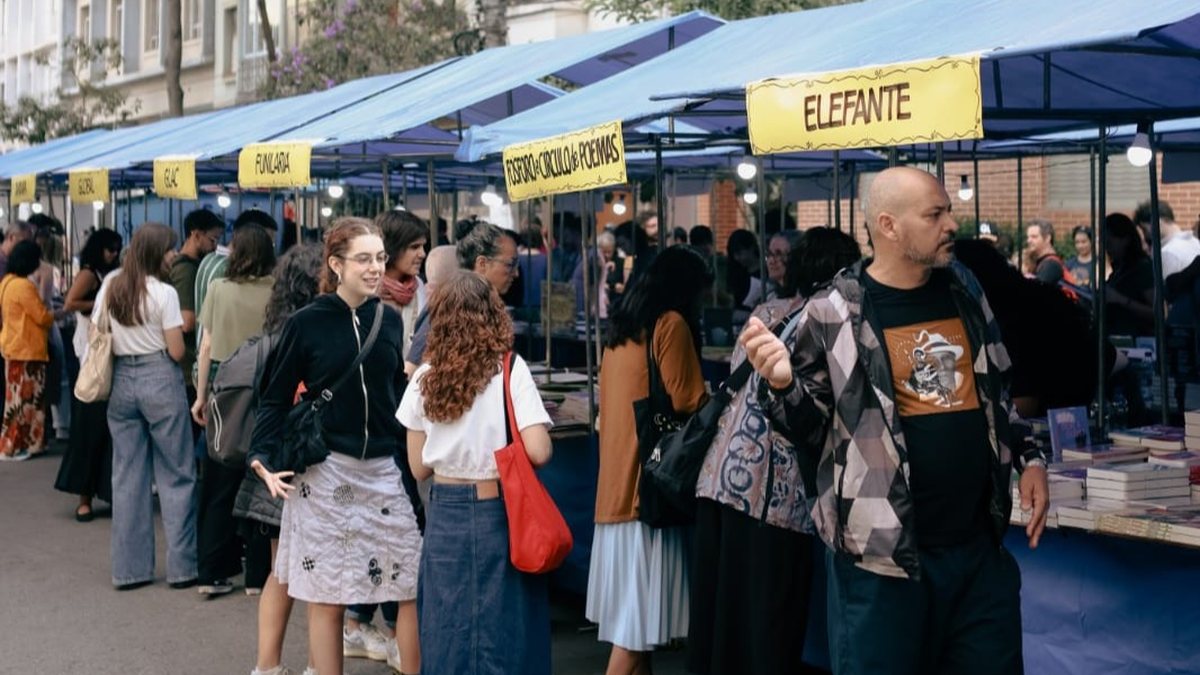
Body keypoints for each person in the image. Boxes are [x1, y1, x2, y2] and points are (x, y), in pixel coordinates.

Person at [740, 167, 1049, 675]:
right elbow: (806, 429)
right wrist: (781, 384)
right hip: (881, 564)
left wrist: (1031, 460)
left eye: (948, 210)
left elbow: (1000, 392)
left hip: (976, 554)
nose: (952, 224)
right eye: (935, 214)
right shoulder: (833, 311)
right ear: (889, 225)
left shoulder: (964, 290)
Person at [248, 218, 423, 675]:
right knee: (328, 594)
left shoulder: (389, 320)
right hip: (326, 472)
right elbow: (273, 395)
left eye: (380, 258)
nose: (374, 268)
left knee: (406, 582)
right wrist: (261, 459)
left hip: (384, 468)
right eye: (364, 259)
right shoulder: (306, 324)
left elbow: (395, 398)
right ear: (336, 264)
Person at [690, 227, 861, 675]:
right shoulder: (832, 322)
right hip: (776, 491)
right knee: (769, 621)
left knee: (723, 612)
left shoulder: (767, 311)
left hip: (721, 473)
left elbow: (736, 374)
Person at [398, 271, 554, 675]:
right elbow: (539, 450)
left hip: (445, 511)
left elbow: (418, 467)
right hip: (498, 509)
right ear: (493, 314)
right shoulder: (510, 369)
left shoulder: (423, 379)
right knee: (507, 626)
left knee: (447, 625)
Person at [590, 246, 712, 675]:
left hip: (617, 493)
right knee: (633, 636)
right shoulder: (671, 324)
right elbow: (689, 398)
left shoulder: (622, 331)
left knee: (637, 634)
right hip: (648, 493)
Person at [231, 244, 324, 675]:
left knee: (281, 570)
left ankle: (266, 667)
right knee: (319, 578)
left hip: (276, 466)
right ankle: (314, 666)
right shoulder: (317, 335)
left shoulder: (275, 334)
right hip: (311, 465)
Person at [341, 210, 429, 662]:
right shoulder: (366, 301)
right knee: (395, 526)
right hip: (375, 428)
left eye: (423, 246)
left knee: (393, 526)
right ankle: (374, 627)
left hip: (405, 420)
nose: (421, 255)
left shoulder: (421, 296)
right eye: (414, 247)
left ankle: (376, 627)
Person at [98, 223, 197, 591]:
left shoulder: (111, 284)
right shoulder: (165, 293)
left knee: (127, 477)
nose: (173, 255)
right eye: (169, 249)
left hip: (122, 379)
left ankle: (129, 570)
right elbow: (174, 350)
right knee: (177, 474)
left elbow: (98, 331)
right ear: (157, 253)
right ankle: (183, 567)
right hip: (160, 377)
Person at [189, 224, 277, 597]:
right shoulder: (276, 290)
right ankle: (257, 577)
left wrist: (200, 394)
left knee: (219, 482)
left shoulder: (218, 289)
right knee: (260, 481)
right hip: (266, 386)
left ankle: (210, 572)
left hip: (225, 390)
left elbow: (206, 346)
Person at [954, 239, 1099, 418]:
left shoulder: (1009, 318)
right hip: (1072, 411)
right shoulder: (1037, 298)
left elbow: (1024, 403)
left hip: (1048, 423)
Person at [54, 229, 123, 520]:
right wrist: (99, 305)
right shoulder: (90, 274)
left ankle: (101, 494)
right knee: (90, 427)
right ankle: (85, 497)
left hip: (100, 352)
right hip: (91, 353)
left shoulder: (109, 276)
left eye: (117, 249)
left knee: (104, 430)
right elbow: (70, 303)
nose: (114, 254)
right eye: (110, 249)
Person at [405, 223, 518, 370]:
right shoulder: (449, 305)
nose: (516, 273)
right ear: (482, 263)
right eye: (510, 265)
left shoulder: (489, 307)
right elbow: (412, 368)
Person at [0, 240, 53, 461]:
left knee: (16, 401)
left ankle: (27, 443)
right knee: (27, 402)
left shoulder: (6, 282)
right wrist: (58, 313)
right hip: (28, 349)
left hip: (13, 346)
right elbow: (41, 316)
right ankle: (16, 444)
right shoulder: (24, 286)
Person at [170, 209, 225, 399]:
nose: (215, 246)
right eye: (212, 239)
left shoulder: (196, 266)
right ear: (196, 235)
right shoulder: (187, 270)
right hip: (187, 367)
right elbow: (188, 321)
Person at [1105, 212, 1156, 338]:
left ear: (1125, 240)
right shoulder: (1119, 268)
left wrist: (1120, 300)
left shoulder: (1142, 268)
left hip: (1137, 340)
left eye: (1111, 242)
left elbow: (1157, 312)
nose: (1107, 247)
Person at [1135, 200, 1200, 280]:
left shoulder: (1166, 253)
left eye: (1144, 229)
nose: (1145, 235)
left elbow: (1164, 290)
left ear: (1157, 222)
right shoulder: (1195, 241)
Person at [726, 229, 764, 316]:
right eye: (734, 255)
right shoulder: (737, 272)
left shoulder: (765, 271)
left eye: (740, 253)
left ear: (751, 248)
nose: (737, 258)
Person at [765, 230, 803, 300]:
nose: (771, 261)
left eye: (778, 254)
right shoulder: (770, 297)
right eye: (769, 254)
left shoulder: (806, 299)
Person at [1025, 219, 1065, 284]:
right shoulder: (1043, 262)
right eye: (1028, 237)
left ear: (1047, 238)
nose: (1028, 240)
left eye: (1034, 237)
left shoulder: (1051, 265)